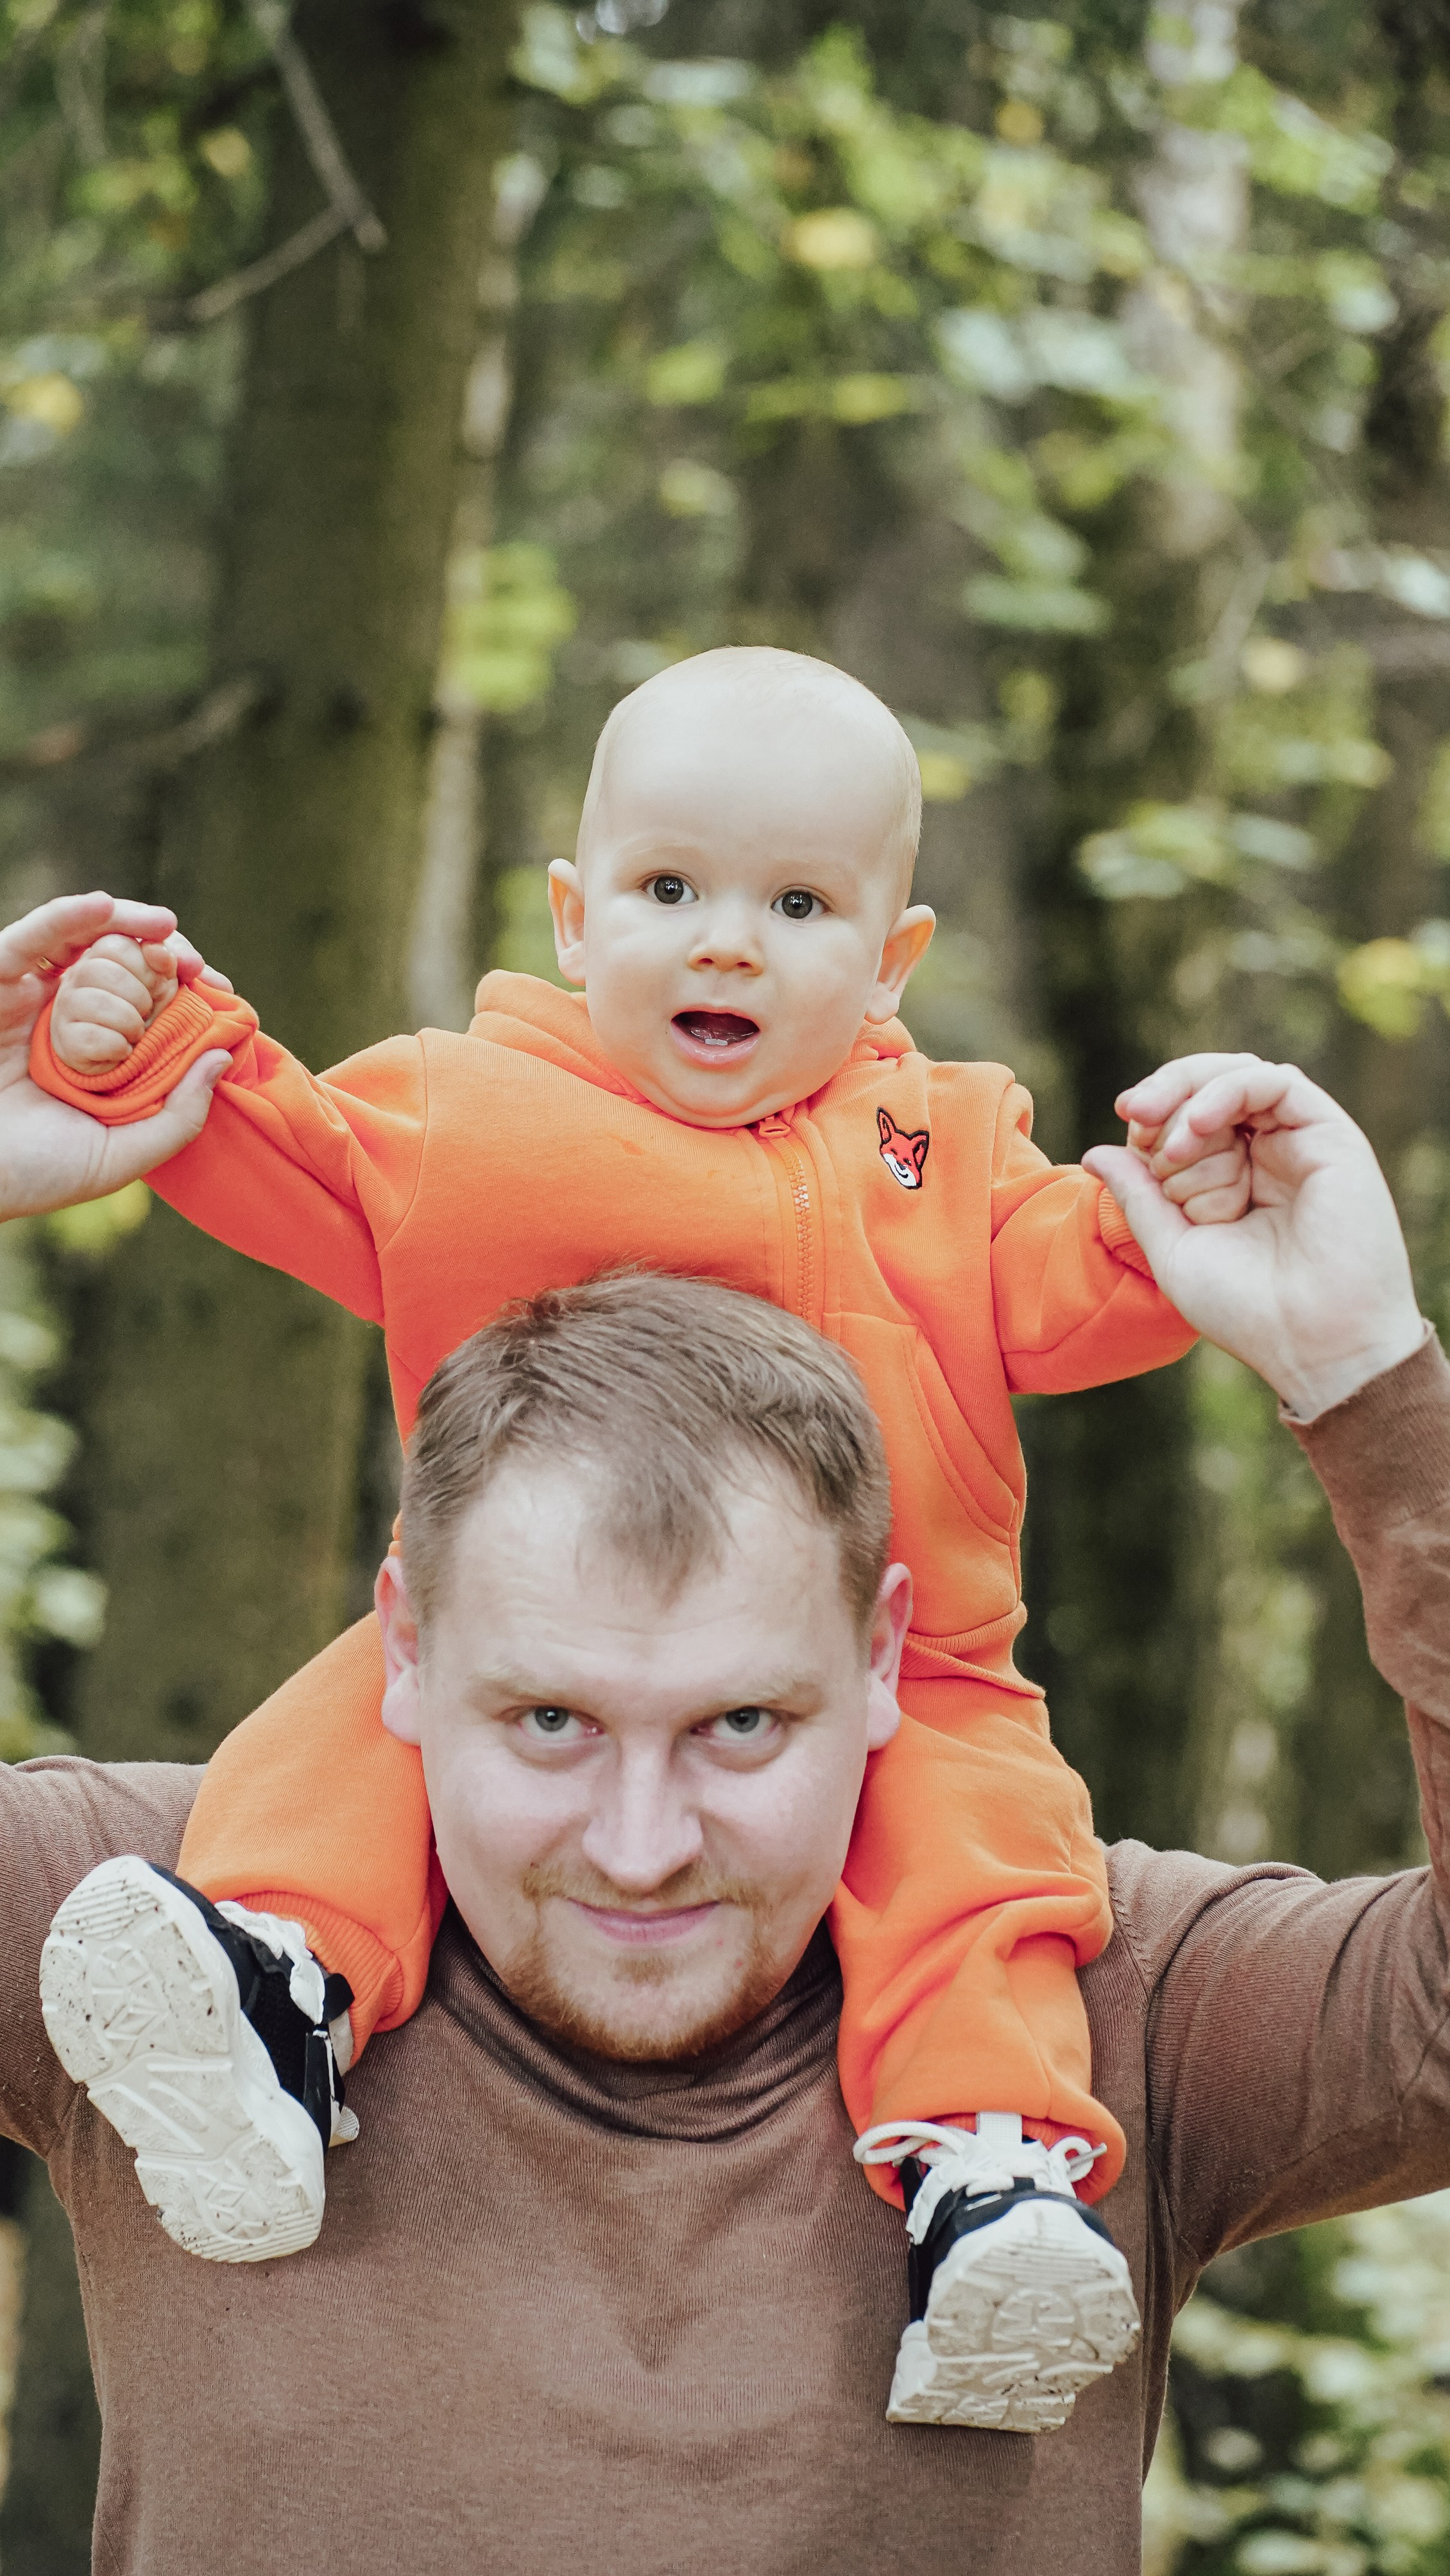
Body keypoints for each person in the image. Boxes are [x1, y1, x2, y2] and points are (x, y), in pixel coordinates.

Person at [1, 1038, 1446, 2575]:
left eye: (739, 1725)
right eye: (549, 1720)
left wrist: (1365, 1383)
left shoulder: (1090, 1999)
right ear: (408, 1646)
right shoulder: (159, 1948)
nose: (641, 1845)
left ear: (884, 1654)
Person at [10, 649, 1244, 2433]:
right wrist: (133, 1045)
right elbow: (286, 1149)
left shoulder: (942, 1153)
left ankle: (987, 2185)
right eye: (672, 891)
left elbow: (1083, 1292)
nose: (725, 942)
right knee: (368, 1730)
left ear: (891, 958)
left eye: (798, 904)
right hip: (529, 1627)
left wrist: (1184, 1208)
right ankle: (270, 1997)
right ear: (579, 922)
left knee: (985, 1871)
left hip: (919, 1664)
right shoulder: (478, 1116)